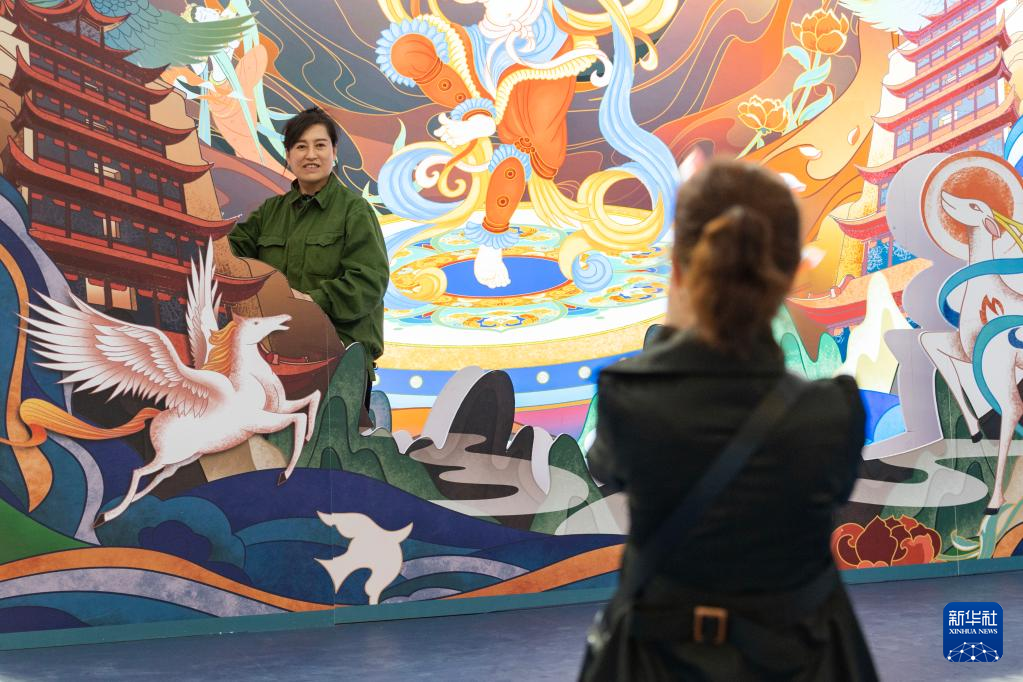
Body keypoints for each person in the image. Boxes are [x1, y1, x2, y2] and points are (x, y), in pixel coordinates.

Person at [578, 159, 877, 681]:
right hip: (800, 660)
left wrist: (672, 333)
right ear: (790, 273)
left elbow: (607, 468)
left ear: (679, 271)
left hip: (657, 662)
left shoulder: (628, 399)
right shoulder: (832, 413)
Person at [229, 108, 389, 408]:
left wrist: (308, 303)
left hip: (340, 361)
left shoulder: (355, 211)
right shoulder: (270, 213)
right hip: (275, 362)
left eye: (320, 145)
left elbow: (368, 283)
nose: (311, 155)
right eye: (301, 146)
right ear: (288, 156)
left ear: (334, 153)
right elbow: (229, 256)